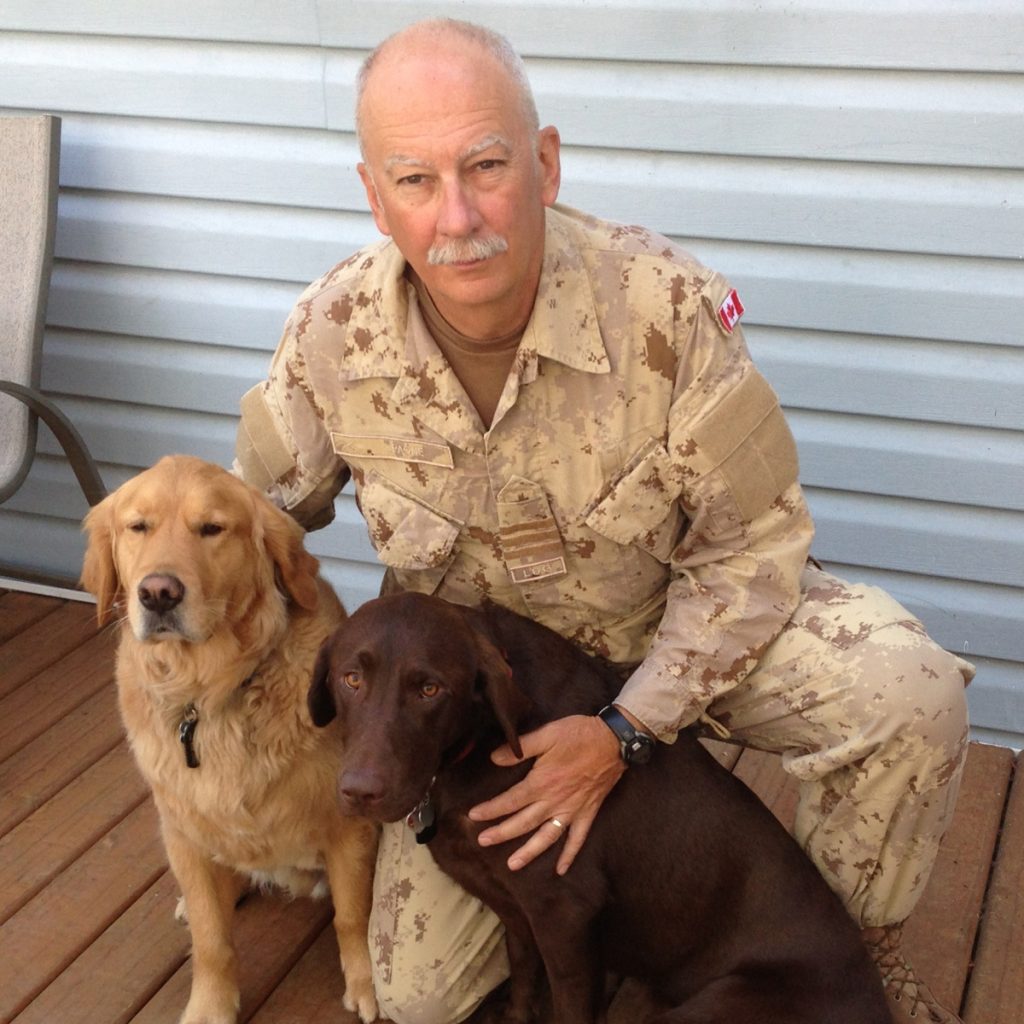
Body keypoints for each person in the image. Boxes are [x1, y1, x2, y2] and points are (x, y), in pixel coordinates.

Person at [235, 18, 974, 1024]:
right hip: (474, 693)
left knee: (903, 690)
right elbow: (256, 534)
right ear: (375, 196)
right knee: (417, 1001)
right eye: (414, 179)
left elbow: (754, 547)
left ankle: (842, 957)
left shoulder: (663, 306)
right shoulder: (332, 333)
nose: (457, 215)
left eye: (486, 165)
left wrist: (626, 729)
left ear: (543, 162)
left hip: (672, 635)